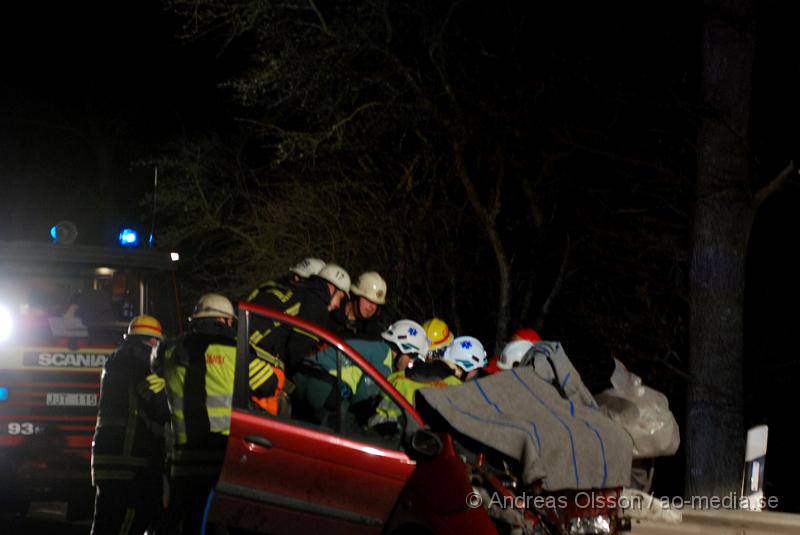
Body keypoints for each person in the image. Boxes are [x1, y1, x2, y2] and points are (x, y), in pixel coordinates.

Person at [159, 293, 278, 534]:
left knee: (185, 524)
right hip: (222, 459)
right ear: (225, 321)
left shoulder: (169, 352)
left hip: (182, 460)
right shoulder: (236, 352)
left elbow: (156, 366)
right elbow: (269, 383)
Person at [90, 315, 169, 535]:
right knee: (129, 523)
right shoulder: (142, 362)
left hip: (110, 460)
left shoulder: (116, 359)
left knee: (106, 525)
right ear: (153, 341)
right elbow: (160, 404)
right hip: (131, 462)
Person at [248, 263, 351, 378]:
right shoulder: (317, 304)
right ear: (331, 287)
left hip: (245, 348)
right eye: (340, 298)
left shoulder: (298, 291)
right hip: (258, 361)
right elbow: (298, 352)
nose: (338, 305)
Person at [330, 271, 387, 340]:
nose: (373, 307)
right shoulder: (330, 311)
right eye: (369, 300)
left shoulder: (374, 335)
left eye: (377, 304)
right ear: (355, 295)